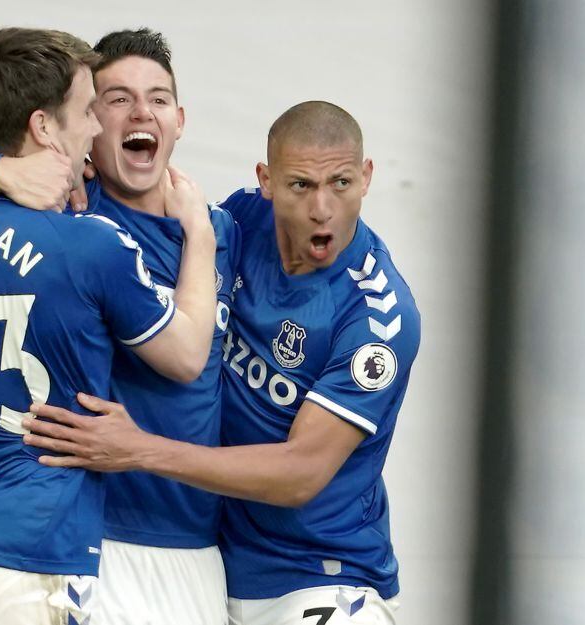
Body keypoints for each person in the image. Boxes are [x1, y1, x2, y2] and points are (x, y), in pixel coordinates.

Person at [0, 29, 238, 625]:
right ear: (42, 126)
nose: (92, 128)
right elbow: (188, 354)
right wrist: (200, 235)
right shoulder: (88, 240)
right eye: (93, 108)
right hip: (26, 548)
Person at [22, 102, 421, 625]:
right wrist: (75, 171)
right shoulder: (238, 224)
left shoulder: (378, 319)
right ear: (266, 181)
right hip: (214, 569)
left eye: (341, 183)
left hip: (320, 577)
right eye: (301, 185)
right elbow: (137, 193)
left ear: (366, 177)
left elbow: (301, 473)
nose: (323, 208)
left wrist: (139, 449)